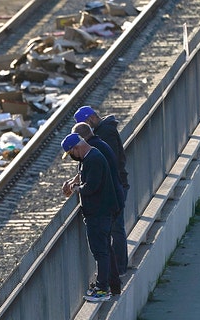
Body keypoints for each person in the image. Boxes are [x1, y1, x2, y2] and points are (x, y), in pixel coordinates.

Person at [61, 133, 122, 301]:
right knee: (105, 250)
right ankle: (112, 285)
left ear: (77, 148)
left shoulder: (93, 159)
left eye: (71, 153)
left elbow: (92, 187)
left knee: (100, 252)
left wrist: (76, 189)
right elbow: (86, 177)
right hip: (101, 212)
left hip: (99, 213)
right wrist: (75, 181)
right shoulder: (90, 156)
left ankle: (102, 289)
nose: (72, 157)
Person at [74, 106, 129, 275]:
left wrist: (81, 185)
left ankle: (119, 269)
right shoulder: (104, 133)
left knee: (115, 228)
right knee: (113, 228)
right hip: (115, 186)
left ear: (90, 120)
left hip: (115, 187)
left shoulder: (104, 135)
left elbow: (103, 166)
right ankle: (115, 270)